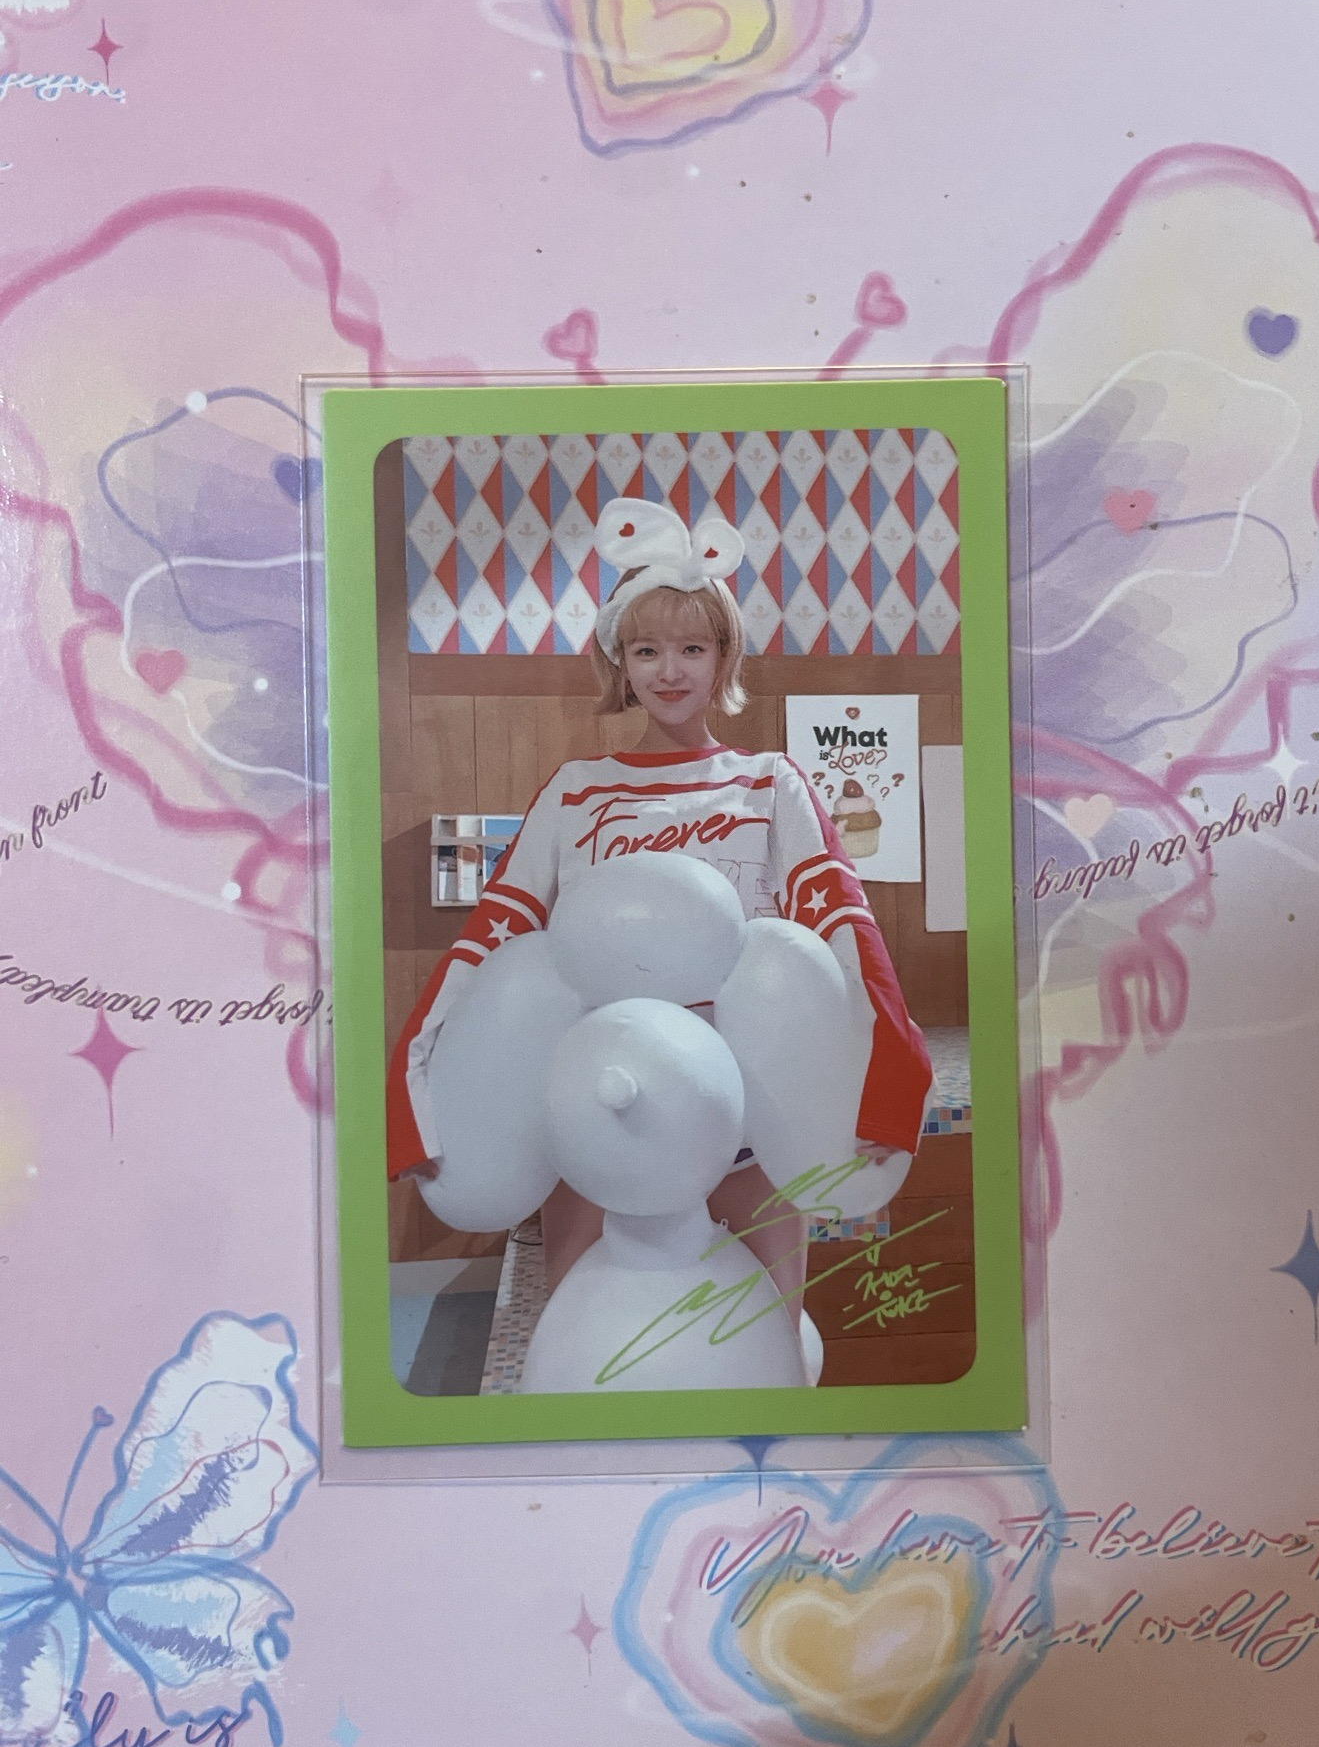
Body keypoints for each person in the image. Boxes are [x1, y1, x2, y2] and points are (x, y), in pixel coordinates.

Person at [386, 497, 933, 1339]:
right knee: (583, 1338)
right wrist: (418, 1090)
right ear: (621, 661)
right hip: (602, 1105)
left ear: (723, 658)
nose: (669, 671)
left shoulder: (771, 783)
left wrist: (888, 1076)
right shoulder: (576, 790)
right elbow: (497, 938)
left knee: (764, 1336)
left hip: (748, 1111)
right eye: (647, 650)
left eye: (692, 648)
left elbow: (841, 932)